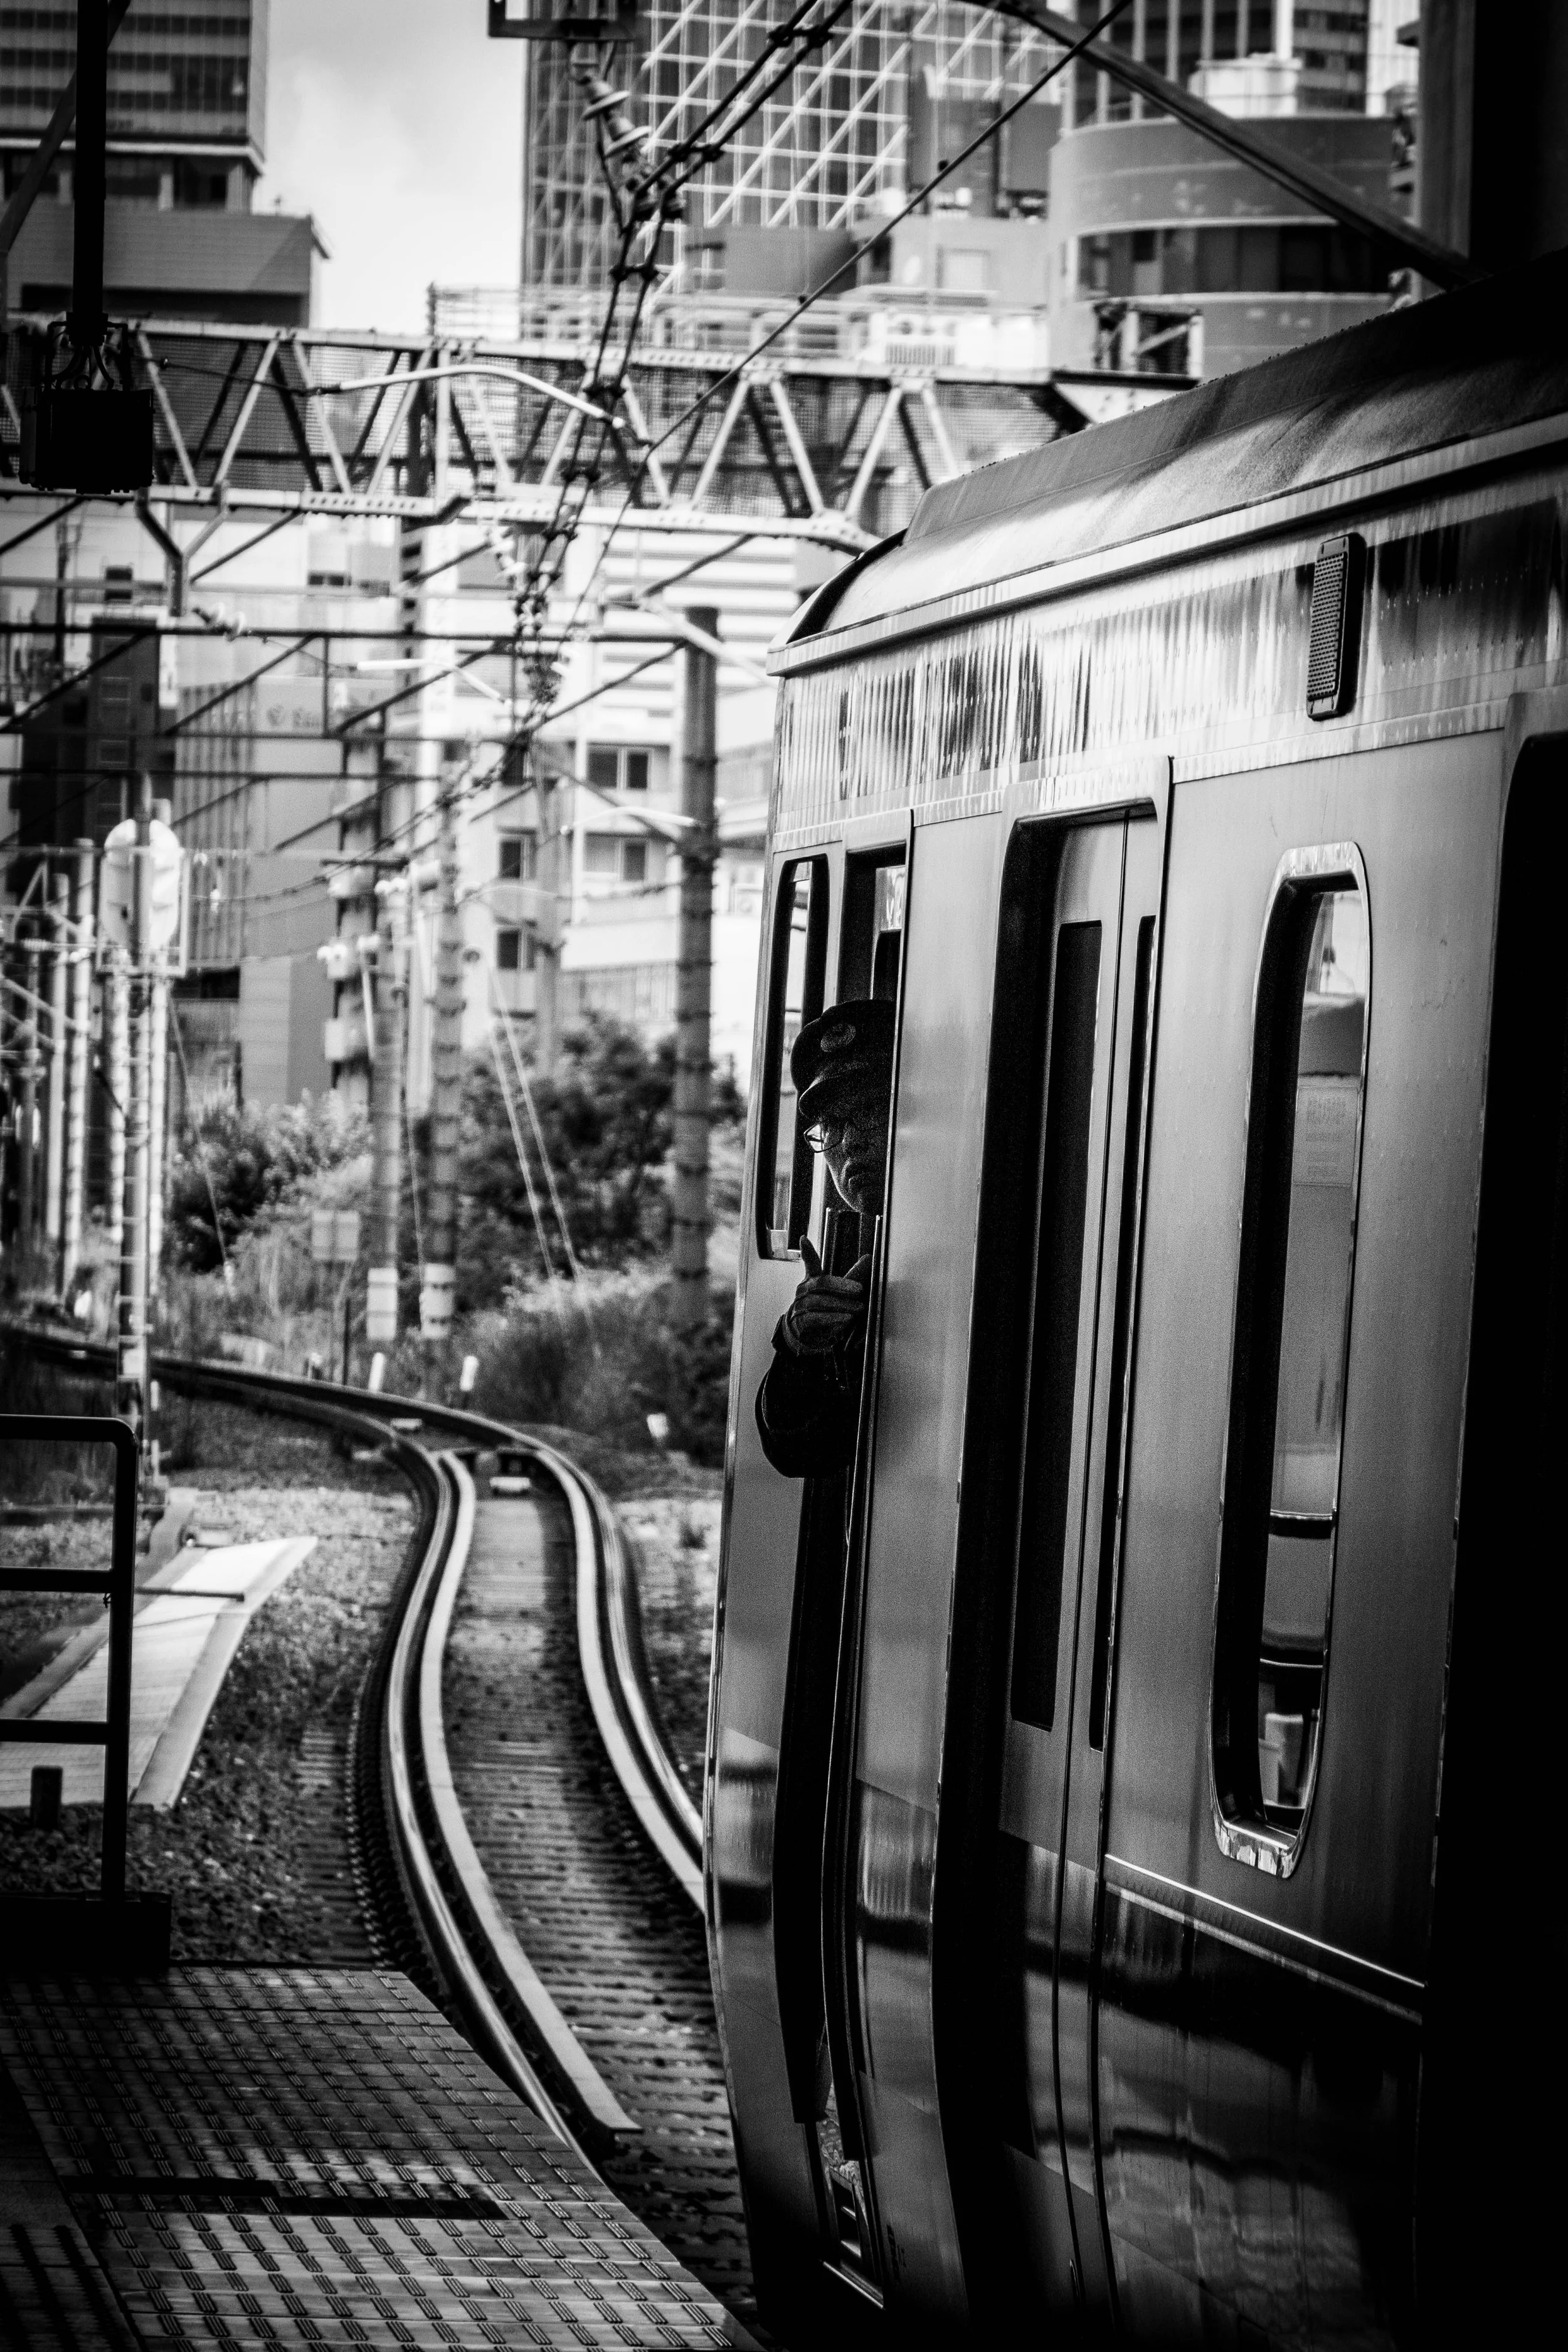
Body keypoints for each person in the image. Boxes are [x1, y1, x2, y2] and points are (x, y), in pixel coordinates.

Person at [755, 998, 894, 1478]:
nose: (849, 1141)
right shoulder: (846, 1255)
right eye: (830, 1125)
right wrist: (800, 1346)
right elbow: (797, 1454)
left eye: (872, 1110)